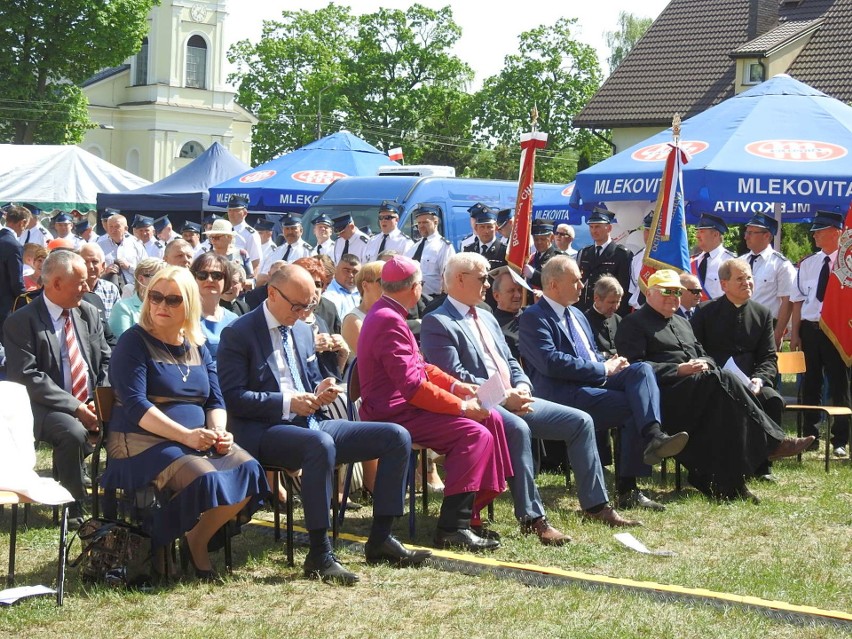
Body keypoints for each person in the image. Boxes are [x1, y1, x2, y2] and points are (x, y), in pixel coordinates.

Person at [217, 263, 430, 585]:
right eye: (297, 306)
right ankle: (320, 552)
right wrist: (288, 402)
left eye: (310, 306)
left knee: (396, 436)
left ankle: (381, 538)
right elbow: (233, 397)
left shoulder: (302, 329)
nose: (303, 313)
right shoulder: (239, 332)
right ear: (273, 293)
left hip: (309, 421)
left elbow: (309, 380)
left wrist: (323, 387)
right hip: (263, 430)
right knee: (320, 445)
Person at [422, 253, 635, 539]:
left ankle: (596, 505)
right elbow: (455, 376)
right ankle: (533, 518)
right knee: (519, 430)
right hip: (481, 405)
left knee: (581, 422)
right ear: (460, 279)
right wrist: (504, 395)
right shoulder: (438, 321)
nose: (487, 284)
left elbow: (510, 360)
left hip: (516, 398)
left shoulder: (485, 315)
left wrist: (522, 385)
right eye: (483, 278)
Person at [101, 266, 266, 577]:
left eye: (173, 300)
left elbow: (215, 401)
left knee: (248, 470)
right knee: (207, 477)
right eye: (156, 297)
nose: (162, 306)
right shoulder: (133, 342)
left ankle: (196, 539)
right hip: (141, 442)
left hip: (193, 439)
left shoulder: (198, 346)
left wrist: (219, 432)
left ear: (189, 303)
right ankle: (154, 545)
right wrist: (186, 437)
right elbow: (136, 405)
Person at [615, 269, 815, 502]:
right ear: (649, 293)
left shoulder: (682, 322)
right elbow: (634, 369)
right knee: (723, 381)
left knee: (726, 406)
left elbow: (705, 355)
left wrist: (704, 363)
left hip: (698, 390)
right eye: (666, 291)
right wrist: (679, 370)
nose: (673, 297)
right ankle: (772, 441)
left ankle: (729, 484)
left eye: (678, 292)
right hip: (663, 396)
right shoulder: (633, 324)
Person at [358, 255, 513, 551]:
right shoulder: (389, 319)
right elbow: (414, 387)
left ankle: (472, 514)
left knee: (490, 418)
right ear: (414, 288)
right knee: (474, 432)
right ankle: (452, 528)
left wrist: (456, 385)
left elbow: (422, 366)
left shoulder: (390, 312)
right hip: (393, 412)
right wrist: (462, 406)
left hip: (402, 406)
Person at [520, 256, 688, 511]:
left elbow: (587, 352)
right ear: (553, 285)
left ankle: (654, 435)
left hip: (592, 381)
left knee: (641, 369)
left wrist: (609, 361)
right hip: (560, 392)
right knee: (634, 406)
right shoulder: (534, 317)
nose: (581, 285)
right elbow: (550, 362)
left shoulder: (576, 314)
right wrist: (601, 368)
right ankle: (628, 488)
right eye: (575, 280)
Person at [4, 251, 110, 527]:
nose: (87, 288)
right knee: (72, 431)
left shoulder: (87, 312)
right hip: (42, 405)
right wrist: (76, 408)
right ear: (57, 283)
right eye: (81, 282)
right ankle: (74, 508)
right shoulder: (22, 321)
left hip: (91, 400)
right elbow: (27, 376)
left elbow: (106, 358)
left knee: (131, 424)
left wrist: (99, 401)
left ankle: (121, 502)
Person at [691, 258, 783, 480]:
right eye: (740, 279)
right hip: (717, 380)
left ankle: (763, 466)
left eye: (749, 278)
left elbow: (768, 357)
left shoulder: (762, 313)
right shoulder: (705, 312)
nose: (747, 283)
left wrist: (761, 379)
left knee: (772, 400)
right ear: (724, 284)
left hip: (752, 380)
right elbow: (694, 349)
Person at [789, 211, 850, 458]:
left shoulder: (848, 263)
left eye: (820, 230)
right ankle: (810, 436)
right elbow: (797, 301)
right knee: (809, 385)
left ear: (837, 233)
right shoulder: (807, 263)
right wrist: (795, 333)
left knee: (839, 385)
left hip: (836, 330)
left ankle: (840, 440)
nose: (814, 234)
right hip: (810, 329)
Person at [740, 213, 797, 349]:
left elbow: (787, 301)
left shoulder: (781, 264)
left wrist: (778, 333)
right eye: (746, 232)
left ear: (767, 236)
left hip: (766, 327)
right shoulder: (740, 261)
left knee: (767, 368)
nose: (746, 237)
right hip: (740, 324)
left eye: (751, 233)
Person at [575, 209, 632, 316]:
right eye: (591, 227)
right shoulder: (585, 252)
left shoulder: (622, 254)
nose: (593, 231)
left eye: (597, 227)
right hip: (585, 310)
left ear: (609, 228)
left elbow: (624, 289)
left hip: (607, 313)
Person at [190, 253, 239, 360]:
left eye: (217, 275)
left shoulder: (234, 320)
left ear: (226, 280)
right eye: (202, 275)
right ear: (194, 279)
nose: (209, 280)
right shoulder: (185, 318)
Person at [403, 204, 455, 299]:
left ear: (436, 222)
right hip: (412, 298)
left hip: (433, 298)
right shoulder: (414, 246)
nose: (421, 226)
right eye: (419, 223)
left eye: (425, 222)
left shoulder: (443, 246)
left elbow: (448, 276)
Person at [109, 258, 165, 338]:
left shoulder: (167, 307)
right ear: (141, 279)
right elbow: (124, 344)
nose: (164, 282)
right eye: (158, 278)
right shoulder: (123, 308)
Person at [341, 261, 384, 357]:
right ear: (365, 285)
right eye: (382, 282)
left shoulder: (390, 314)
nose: (388, 287)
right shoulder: (354, 320)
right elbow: (370, 358)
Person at [692, 212, 735, 300]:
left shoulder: (730, 262)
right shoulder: (693, 261)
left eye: (702, 232)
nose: (697, 236)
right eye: (698, 232)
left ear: (716, 234)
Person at [258, 213, 312, 282]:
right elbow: (265, 273)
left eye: (293, 228)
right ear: (283, 231)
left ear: (301, 230)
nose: (290, 232)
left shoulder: (308, 252)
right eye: (287, 228)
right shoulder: (277, 251)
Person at [96, 213, 146, 288]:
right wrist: (105, 271)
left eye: (117, 227)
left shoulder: (136, 246)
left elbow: (145, 270)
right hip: (107, 289)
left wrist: (129, 267)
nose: (113, 230)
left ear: (125, 229)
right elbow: (91, 270)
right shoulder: (99, 246)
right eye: (110, 226)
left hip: (132, 288)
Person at [1, 205, 31, 329]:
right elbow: (17, 283)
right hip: (5, 308)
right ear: (22, 222)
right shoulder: (14, 246)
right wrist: (28, 302)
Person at [489, 266, 528, 360]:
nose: (518, 295)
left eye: (519, 290)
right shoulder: (492, 326)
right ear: (497, 296)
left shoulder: (531, 315)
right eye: (511, 291)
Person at [78, 243, 121, 321]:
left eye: (94, 262)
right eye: (85, 262)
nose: (90, 266)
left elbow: (117, 321)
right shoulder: (72, 289)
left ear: (103, 266)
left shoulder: (111, 290)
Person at [584, 275, 622, 358]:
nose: (615, 307)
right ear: (597, 299)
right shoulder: (584, 321)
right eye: (611, 302)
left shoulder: (618, 319)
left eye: (618, 302)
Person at [226, 195, 263, 273]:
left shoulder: (250, 234)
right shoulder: (225, 230)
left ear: (245, 213)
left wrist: (250, 282)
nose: (232, 213)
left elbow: (255, 261)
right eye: (230, 210)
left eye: (236, 210)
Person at [323, 254, 361, 320]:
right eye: (346, 271)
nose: (351, 275)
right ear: (336, 270)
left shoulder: (364, 292)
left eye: (355, 272)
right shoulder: (327, 293)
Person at [628, 212, 653, 310]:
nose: (648, 234)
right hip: (638, 310)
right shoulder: (637, 257)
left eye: (653, 231)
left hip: (659, 311)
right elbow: (633, 289)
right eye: (646, 230)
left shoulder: (668, 258)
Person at [524, 219, 557, 289]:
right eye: (536, 239)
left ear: (551, 238)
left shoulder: (557, 257)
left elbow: (555, 282)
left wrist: (534, 275)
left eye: (543, 239)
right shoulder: (532, 257)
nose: (539, 242)